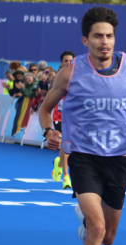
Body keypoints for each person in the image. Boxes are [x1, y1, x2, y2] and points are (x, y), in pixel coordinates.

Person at [39, 7, 126, 245]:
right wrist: (49, 132)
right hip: (83, 159)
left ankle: (84, 220)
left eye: (109, 35)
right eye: (97, 36)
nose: (104, 41)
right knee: (98, 228)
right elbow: (45, 109)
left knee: (109, 238)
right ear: (85, 40)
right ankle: (89, 221)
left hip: (119, 160)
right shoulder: (71, 71)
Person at [51, 51, 76, 190]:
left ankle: (59, 164)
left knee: (70, 148)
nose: (68, 63)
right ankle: (66, 177)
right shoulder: (56, 78)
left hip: (73, 117)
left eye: (70, 60)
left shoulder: (79, 76)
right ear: (61, 63)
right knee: (64, 145)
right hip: (59, 117)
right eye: (65, 61)